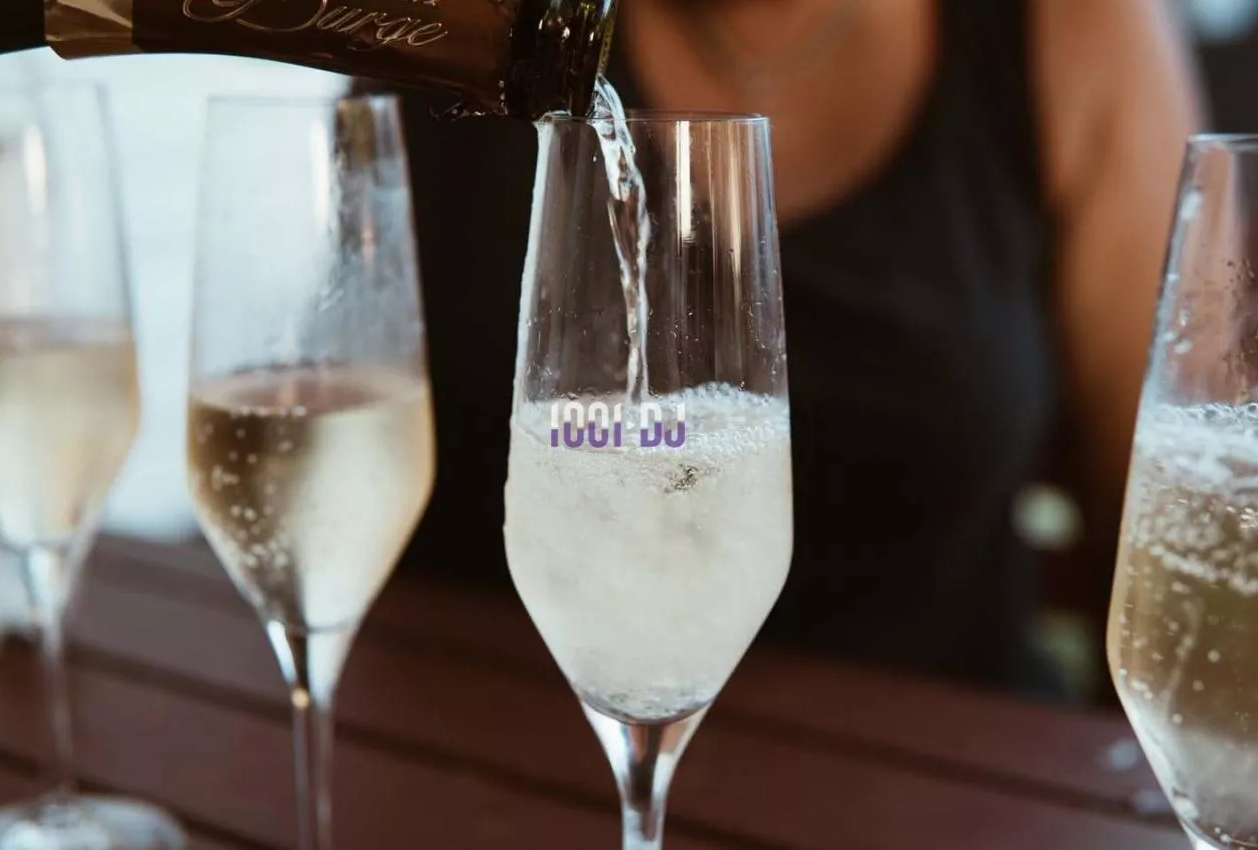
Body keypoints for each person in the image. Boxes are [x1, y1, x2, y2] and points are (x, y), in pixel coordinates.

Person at [356, 0, 1202, 700]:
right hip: (471, 747)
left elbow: (1177, 553)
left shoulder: (1071, 28)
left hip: (936, 776)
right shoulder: (466, 23)